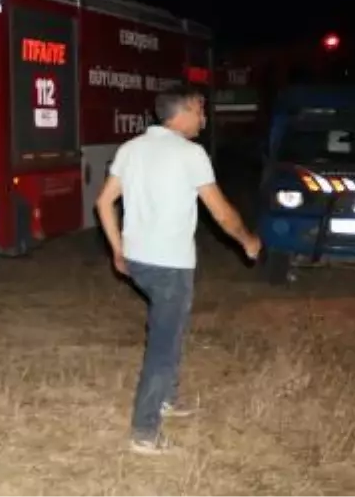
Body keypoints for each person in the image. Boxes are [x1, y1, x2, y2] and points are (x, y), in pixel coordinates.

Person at [94, 84, 261, 455]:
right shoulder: (191, 154)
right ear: (182, 112)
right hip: (170, 265)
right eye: (200, 109)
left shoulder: (130, 149)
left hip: (138, 260)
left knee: (166, 328)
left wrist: (118, 250)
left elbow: (104, 202)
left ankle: (167, 398)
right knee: (163, 345)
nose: (204, 117)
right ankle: (144, 432)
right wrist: (247, 239)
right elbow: (220, 212)